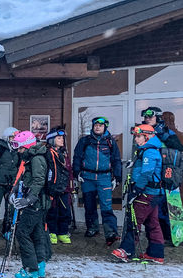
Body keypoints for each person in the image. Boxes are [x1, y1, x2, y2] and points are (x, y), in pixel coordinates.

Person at [112, 124, 165, 264]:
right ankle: (156, 253)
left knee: (134, 221)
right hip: (152, 193)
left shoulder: (150, 151)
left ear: (147, 136)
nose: (136, 139)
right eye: (135, 136)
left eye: (138, 136)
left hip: (146, 193)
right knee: (152, 223)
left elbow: (147, 172)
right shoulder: (146, 150)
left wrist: (136, 190)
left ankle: (127, 251)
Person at [8, 131, 51, 278]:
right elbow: (24, 179)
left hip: (36, 204)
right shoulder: (30, 158)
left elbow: (39, 181)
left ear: (27, 146)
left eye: (20, 148)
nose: (19, 151)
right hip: (37, 203)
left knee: (22, 233)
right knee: (37, 234)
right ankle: (40, 265)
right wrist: (14, 192)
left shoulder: (36, 159)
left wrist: (29, 199)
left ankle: (31, 268)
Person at [72, 116, 122, 245]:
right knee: (89, 205)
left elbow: (116, 160)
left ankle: (110, 232)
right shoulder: (85, 141)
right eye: (95, 125)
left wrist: (117, 177)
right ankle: (92, 228)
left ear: (105, 127)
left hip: (104, 178)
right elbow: (77, 157)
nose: (98, 127)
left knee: (106, 206)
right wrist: (76, 173)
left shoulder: (110, 142)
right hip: (87, 177)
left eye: (100, 125)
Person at [141, 107, 183, 244]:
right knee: (154, 208)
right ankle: (157, 237)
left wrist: (163, 135)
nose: (147, 119)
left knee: (166, 207)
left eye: (150, 116)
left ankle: (172, 235)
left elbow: (178, 148)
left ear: (158, 117)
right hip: (151, 175)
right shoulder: (143, 132)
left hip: (166, 173)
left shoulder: (166, 131)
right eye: (145, 117)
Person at [45, 126, 73, 245]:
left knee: (65, 211)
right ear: (52, 140)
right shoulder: (48, 153)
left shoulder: (64, 154)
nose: (62, 140)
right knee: (52, 211)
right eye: (59, 138)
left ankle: (63, 232)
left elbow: (69, 171)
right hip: (52, 188)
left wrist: (71, 185)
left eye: (62, 138)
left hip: (64, 188)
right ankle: (52, 232)